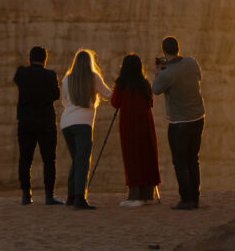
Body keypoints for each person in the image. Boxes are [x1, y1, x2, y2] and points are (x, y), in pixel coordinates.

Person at [152, 36, 205, 210]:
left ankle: (186, 199)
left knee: (180, 162)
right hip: (198, 118)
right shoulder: (191, 62)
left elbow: (156, 89)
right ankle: (195, 197)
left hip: (179, 123)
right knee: (193, 159)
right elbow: (199, 77)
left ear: (165, 52)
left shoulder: (168, 73)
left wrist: (159, 72)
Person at [60, 49, 111, 210]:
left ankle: (71, 196)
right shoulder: (93, 77)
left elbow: (64, 101)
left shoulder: (67, 79)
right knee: (82, 161)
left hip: (66, 123)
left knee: (76, 159)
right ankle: (80, 198)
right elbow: (108, 95)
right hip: (83, 124)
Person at [13, 46, 63, 205]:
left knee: (25, 159)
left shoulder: (21, 73)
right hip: (45, 122)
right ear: (45, 60)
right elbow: (56, 94)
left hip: (26, 122)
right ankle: (49, 195)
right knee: (49, 159)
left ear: (30, 59)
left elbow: (17, 79)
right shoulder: (50, 75)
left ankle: (26, 195)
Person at [111, 53, 161, 207]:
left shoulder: (121, 85)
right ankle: (148, 194)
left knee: (132, 156)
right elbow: (150, 103)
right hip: (145, 126)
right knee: (147, 156)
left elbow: (115, 102)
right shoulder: (145, 84)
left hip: (128, 126)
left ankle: (135, 195)